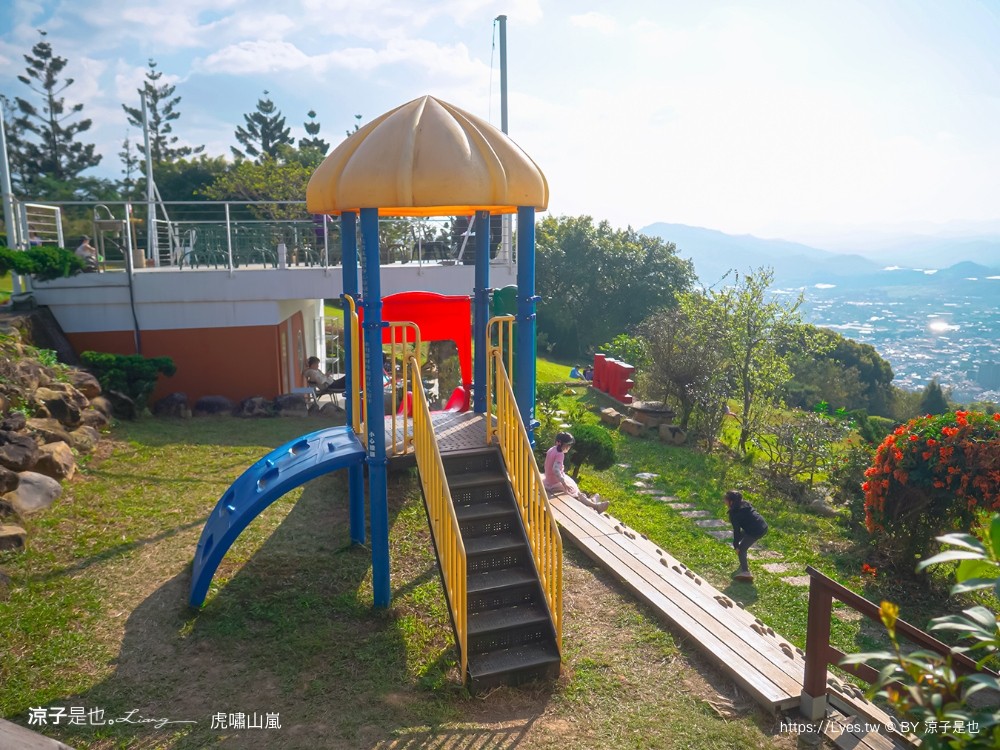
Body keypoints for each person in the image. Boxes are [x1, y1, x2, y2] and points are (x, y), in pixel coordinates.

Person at [543, 431, 609, 513]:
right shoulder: (560, 454)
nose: (569, 447)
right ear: (562, 444)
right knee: (574, 491)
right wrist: (563, 483)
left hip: (549, 479)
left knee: (573, 487)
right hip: (555, 482)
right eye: (568, 445)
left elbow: (547, 464)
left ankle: (591, 500)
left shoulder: (552, 449)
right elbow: (555, 469)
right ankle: (595, 506)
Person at [724, 490, 768, 581]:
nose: (724, 501)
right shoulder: (745, 504)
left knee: (741, 549)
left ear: (731, 502)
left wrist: (736, 545)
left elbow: (737, 531)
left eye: (726, 499)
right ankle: (742, 562)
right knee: (741, 541)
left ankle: (745, 572)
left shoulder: (734, 514)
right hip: (763, 526)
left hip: (755, 530)